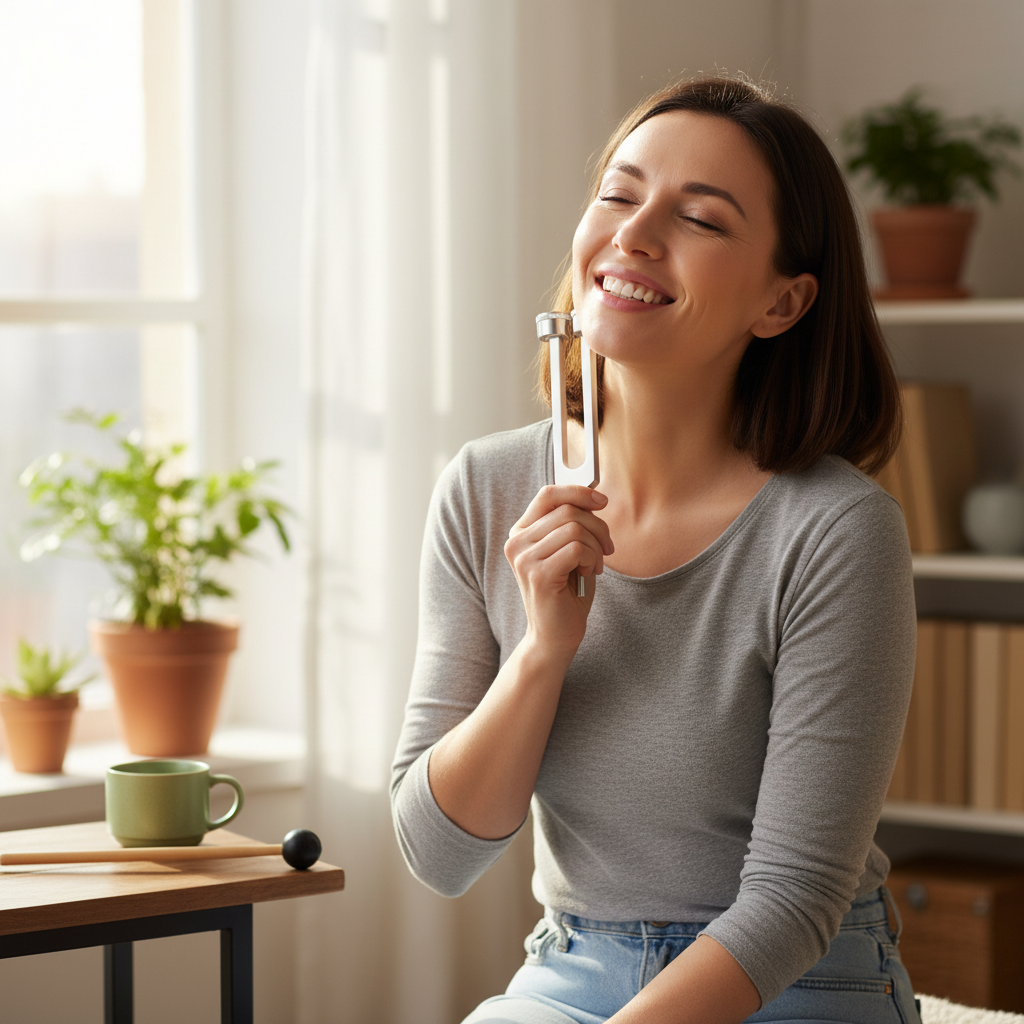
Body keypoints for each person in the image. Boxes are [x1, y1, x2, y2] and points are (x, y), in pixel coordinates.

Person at [390, 75, 919, 1024]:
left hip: (796, 975)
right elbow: (439, 854)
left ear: (783, 302)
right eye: (620, 194)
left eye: (702, 220)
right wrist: (545, 649)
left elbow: (793, 900)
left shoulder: (837, 531)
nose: (634, 233)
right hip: (572, 964)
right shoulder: (485, 488)